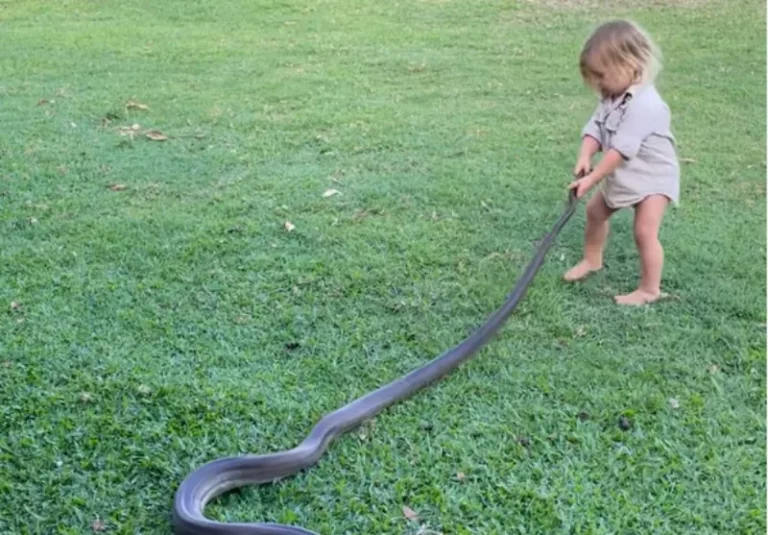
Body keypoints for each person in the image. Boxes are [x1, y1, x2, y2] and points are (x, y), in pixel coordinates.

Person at [565, 20, 680, 306]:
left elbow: (619, 151)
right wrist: (584, 155)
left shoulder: (646, 104)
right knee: (595, 212)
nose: (597, 84)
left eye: (601, 76)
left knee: (644, 231)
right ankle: (592, 260)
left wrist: (591, 179)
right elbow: (595, 128)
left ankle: (649, 290)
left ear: (630, 64)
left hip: (653, 177)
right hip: (624, 173)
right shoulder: (612, 96)